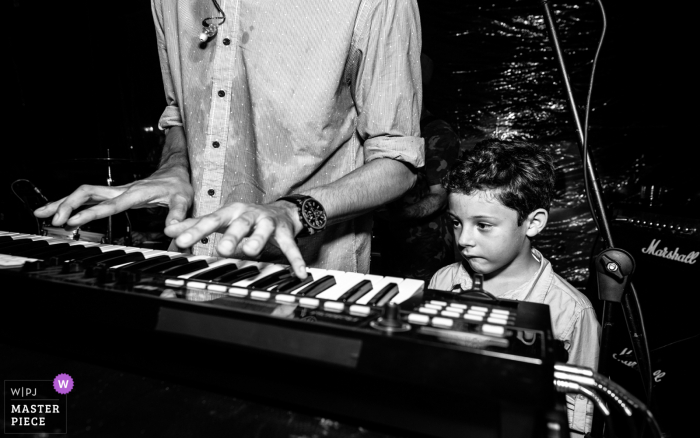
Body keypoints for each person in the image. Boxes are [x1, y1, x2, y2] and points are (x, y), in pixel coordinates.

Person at [34, 0, 425, 279]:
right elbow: (181, 117)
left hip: (308, 284)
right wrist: (175, 167)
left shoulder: (376, 4)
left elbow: (398, 163)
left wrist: (293, 211)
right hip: (186, 270)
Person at [429, 139, 600, 436]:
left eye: (483, 225)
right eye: (456, 222)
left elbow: (576, 419)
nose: (463, 240)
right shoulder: (443, 281)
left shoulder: (571, 312)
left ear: (532, 223)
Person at [374, 54, 460, 282]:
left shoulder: (438, 134)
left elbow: (439, 197)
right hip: (395, 246)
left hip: (427, 250)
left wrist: (393, 216)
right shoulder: (394, 135)